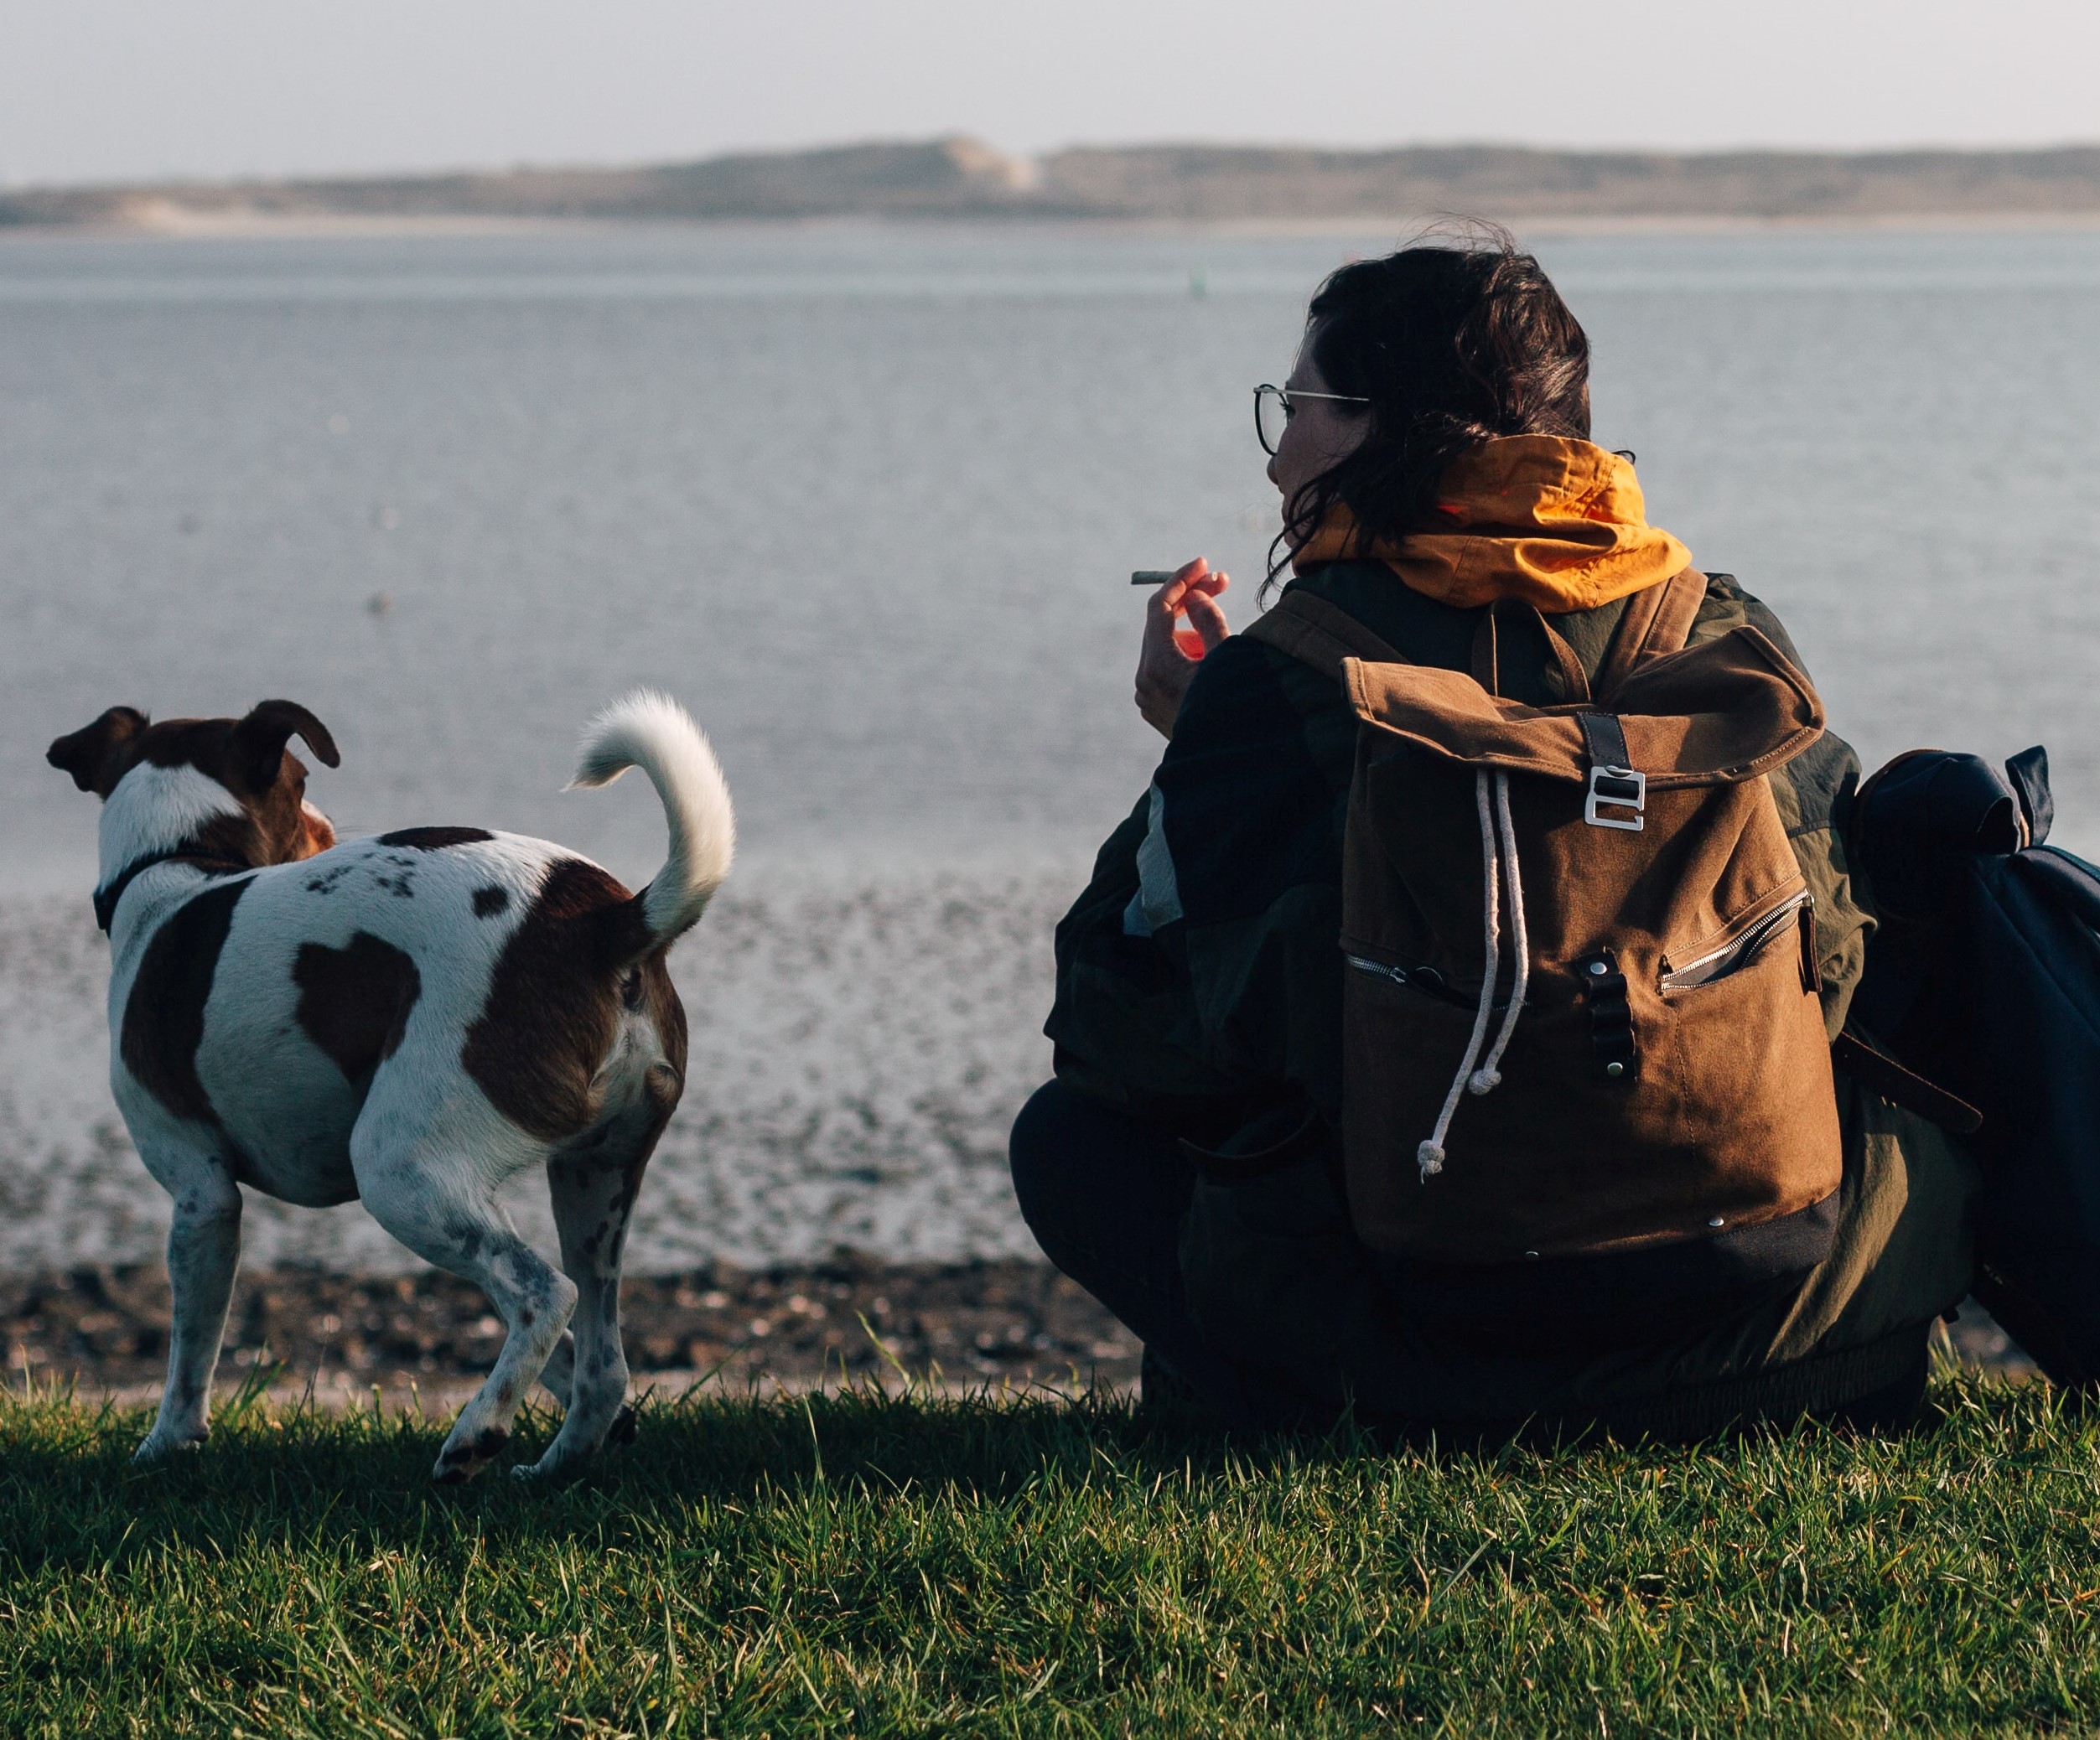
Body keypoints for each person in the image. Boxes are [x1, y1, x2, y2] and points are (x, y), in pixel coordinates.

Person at [1009, 230, 1977, 1438]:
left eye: (1296, 410)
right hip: (1777, 1326)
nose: (1276, 464)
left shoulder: (1287, 680)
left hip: (1434, 1346)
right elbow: (1834, 963)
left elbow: (1123, 1033)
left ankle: (1319, 1405)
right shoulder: (1716, 626)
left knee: (1067, 1140)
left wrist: (1198, 745)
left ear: (1387, 432)